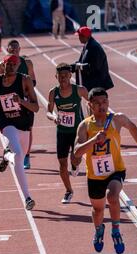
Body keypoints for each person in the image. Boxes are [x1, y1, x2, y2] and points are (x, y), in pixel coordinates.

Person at [74, 88, 137, 254]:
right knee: (98, 210)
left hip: (116, 170)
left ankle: (115, 231)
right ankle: (99, 230)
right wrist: (94, 140)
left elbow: (133, 127)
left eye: (105, 102)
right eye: (98, 103)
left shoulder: (116, 119)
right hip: (95, 175)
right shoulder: (85, 126)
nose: (102, 106)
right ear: (90, 105)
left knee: (112, 196)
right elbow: (77, 152)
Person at [0, 55, 39, 210]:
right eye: (8, 64)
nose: (11, 66)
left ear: (18, 66)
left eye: (13, 64)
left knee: (19, 155)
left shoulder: (25, 80)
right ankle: (27, 198)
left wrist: (22, 102)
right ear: (3, 65)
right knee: (18, 156)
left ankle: (6, 155)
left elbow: (36, 107)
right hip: (6, 124)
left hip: (23, 124)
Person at [0, 39, 37, 169]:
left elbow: (33, 81)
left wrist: (25, 92)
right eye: (11, 49)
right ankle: (9, 150)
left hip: (24, 101)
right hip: (8, 102)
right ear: (7, 50)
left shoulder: (28, 63)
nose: (14, 50)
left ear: (19, 49)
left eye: (16, 48)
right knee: (11, 127)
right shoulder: (2, 66)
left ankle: (26, 157)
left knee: (28, 129)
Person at [47, 63, 88, 203]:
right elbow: (48, 111)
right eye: (60, 76)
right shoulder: (53, 92)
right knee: (62, 163)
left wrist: (91, 120)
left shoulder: (80, 90)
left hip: (77, 131)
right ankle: (68, 190)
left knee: (75, 159)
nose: (63, 78)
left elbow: (91, 102)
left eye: (66, 75)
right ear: (56, 76)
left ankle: (75, 165)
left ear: (70, 76)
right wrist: (53, 117)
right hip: (62, 132)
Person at [72, 27, 114, 93]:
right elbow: (82, 61)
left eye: (80, 36)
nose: (79, 38)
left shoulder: (94, 48)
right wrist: (71, 67)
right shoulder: (87, 45)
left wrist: (79, 66)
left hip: (97, 83)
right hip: (92, 82)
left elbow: (95, 66)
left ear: (86, 36)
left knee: (96, 102)